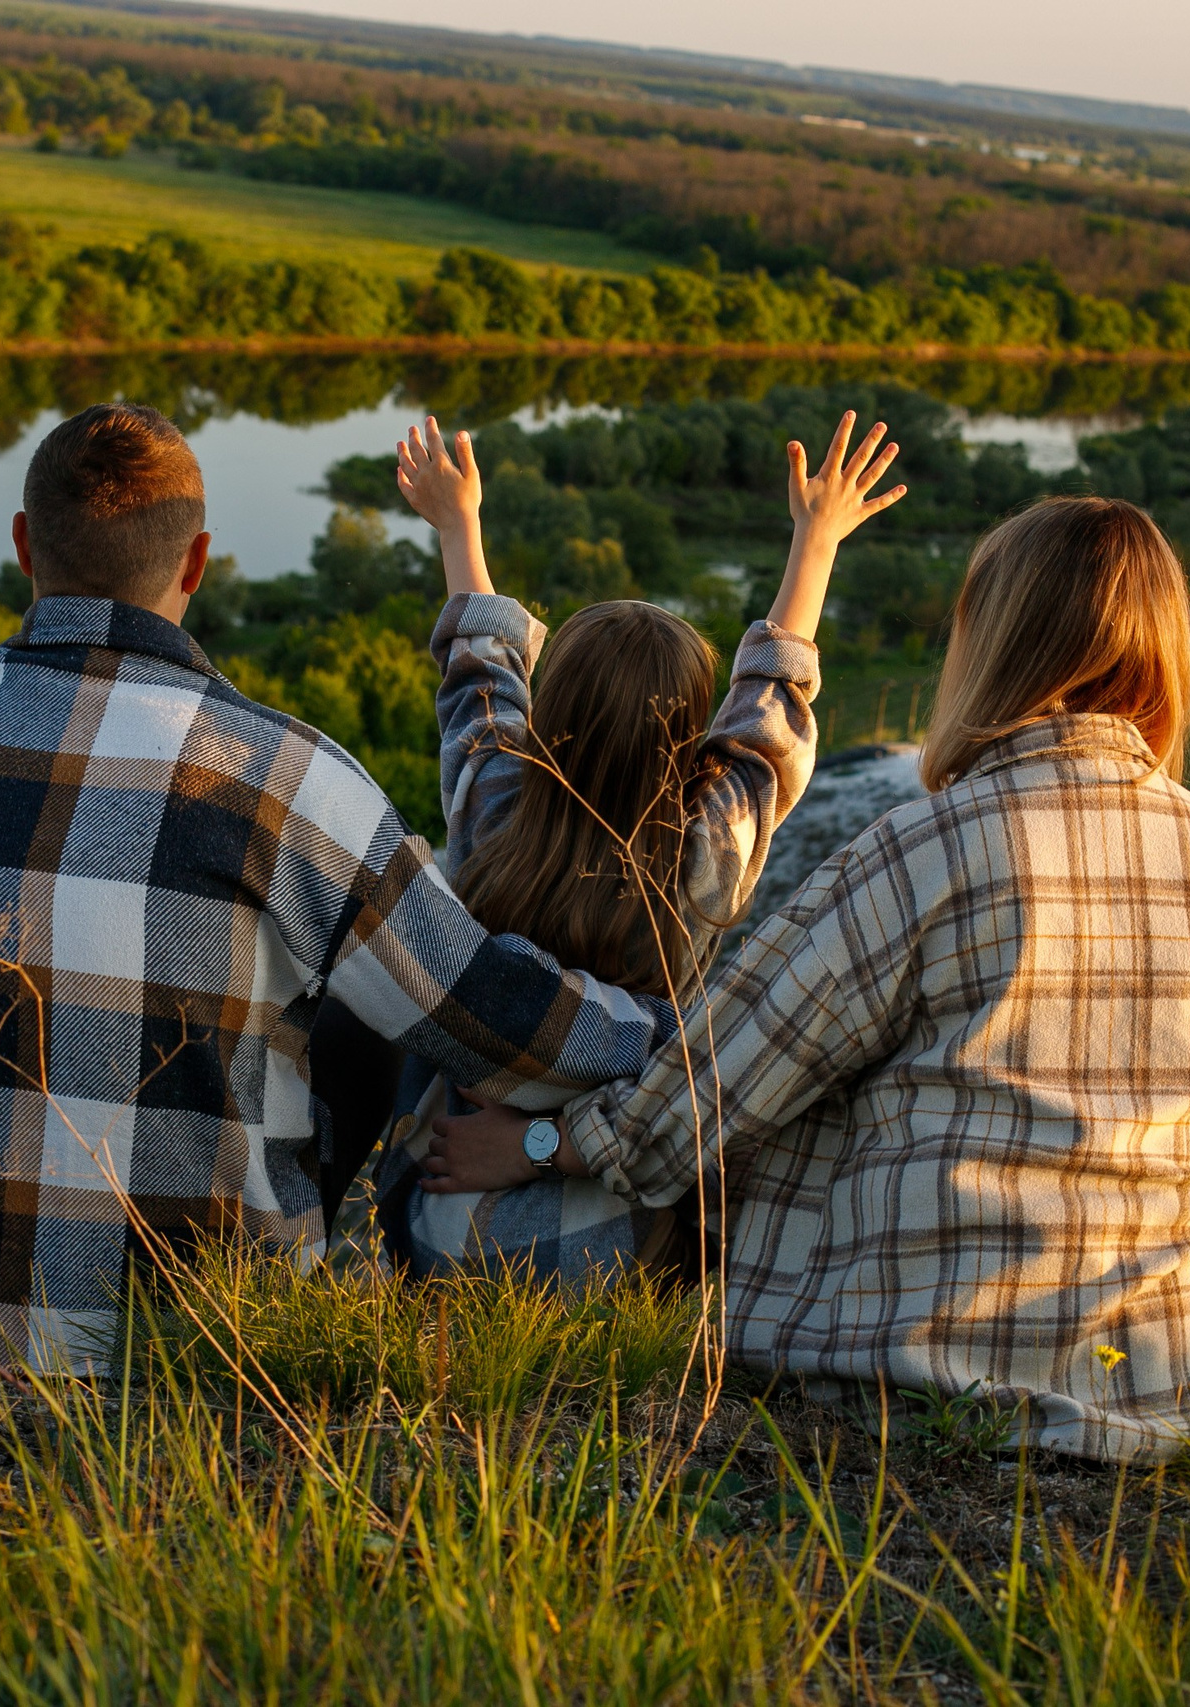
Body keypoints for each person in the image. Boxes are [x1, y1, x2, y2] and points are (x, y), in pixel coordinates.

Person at [0, 402, 669, 1371]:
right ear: (195, 564)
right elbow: (480, 1011)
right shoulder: (288, 777)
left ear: (26, 546)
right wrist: (664, 1031)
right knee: (373, 969)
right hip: (200, 1325)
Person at [422, 496, 1190, 1463]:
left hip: (932, 1367)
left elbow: (710, 1092)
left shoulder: (925, 852)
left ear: (992, 643)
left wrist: (544, 1141)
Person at [343, 411, 906, 1279]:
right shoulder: (704, 849)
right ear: (688, 752)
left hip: (443, 1232)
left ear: (549, 722)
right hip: (623, 1250)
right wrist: (816, 539)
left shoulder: (494, 809)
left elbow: (481, 680)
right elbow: (767, 719)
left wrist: (461, 525)